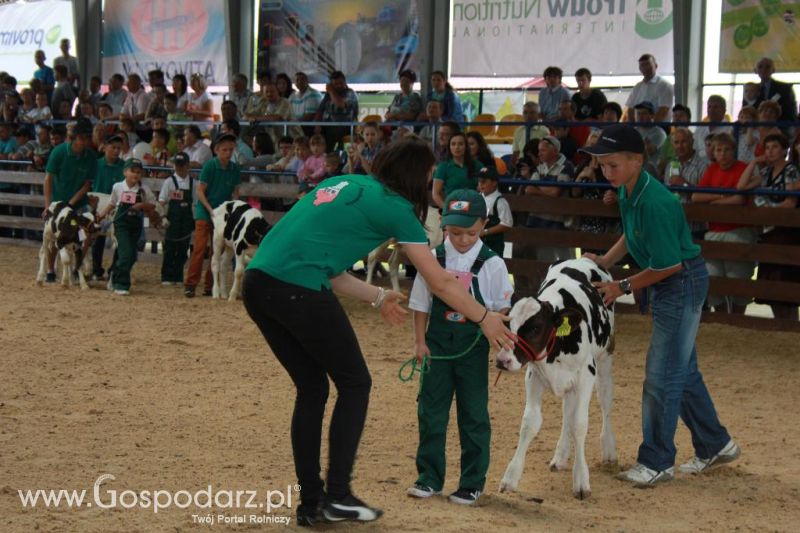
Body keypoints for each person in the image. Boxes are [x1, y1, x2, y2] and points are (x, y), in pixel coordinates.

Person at [241, 136, 515, 525]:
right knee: (355, 384)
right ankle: (337, 495)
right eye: (429, 175)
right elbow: (438, 281)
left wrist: (376, 296)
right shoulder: (398, 208)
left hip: (258, 284)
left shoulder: (344, 184)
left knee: (314, 387)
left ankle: (312, 503)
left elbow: (329, 267)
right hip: (297, 288)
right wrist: (484, 317)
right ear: (417, 174)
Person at [582, 124, 740, 487]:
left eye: (613, 165)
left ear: (637, 161)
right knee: (680, 371)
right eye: (602, 165)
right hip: (671, 283)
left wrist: (620, 285)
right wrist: (606, 260)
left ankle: (656, 461)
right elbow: (630, 232)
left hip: (679, 283)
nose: (606, 172)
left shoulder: (656, 201)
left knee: (660, 375)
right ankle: (716, 444)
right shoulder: (629, 190)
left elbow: (669, 265)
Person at [407, 188, 513, 506]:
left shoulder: (493, 264)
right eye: (455, 232)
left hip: (473, 350)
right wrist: (420, 342)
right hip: (437, 347)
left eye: (470, 232)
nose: (463, 239)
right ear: (444, 226)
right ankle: (428, 477)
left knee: (474, 415)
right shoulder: (433, 259)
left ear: (483, 224)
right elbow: (420, 304)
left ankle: (471, 482)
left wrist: (502, 343)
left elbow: (501, 311)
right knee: (431, 411)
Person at [737, 133, 800, 320]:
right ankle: (780, 324)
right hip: (768, 232)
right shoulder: (765, 173)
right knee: (771, 284)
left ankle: (791, 325)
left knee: (785, 283)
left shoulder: (790, 170)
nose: (770, 151)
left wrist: (768, 212)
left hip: (785, 232)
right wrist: (754, 162)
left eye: (774, 147)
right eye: (767, 148)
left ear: (784, 150)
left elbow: (790, 202)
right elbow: (741, 186)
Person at [691, 133, 755, 314]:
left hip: (739, 230)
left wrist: (714, 202)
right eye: (719, 150)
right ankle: (721, 317)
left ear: (734, 151)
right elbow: (696, 196)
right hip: (714, 230)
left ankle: (737, 317)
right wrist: (721, 196)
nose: (723, 154)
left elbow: (739, 199)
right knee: (713, 278)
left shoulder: (742, 168)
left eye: (727, 150)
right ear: (714, 152)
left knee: (738, 279)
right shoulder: (712, 170)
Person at [184, 134, 241, 297]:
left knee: (217, 250)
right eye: (224, 149)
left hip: (222, 214)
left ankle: (210, 284)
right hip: (206, 211)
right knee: (200, 248)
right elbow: (200, 191)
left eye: (230, 149)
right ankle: (191, 283)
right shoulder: (210, 166)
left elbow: (236, 193)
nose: (228, 153)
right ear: (216, 150)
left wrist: (231, 210)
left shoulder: (234, 168)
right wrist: (210, 210)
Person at [42, 118, 97, 280]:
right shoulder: (59, 152)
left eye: (87, 137)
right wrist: (47, 205)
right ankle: (51, 271)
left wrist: (70, 205)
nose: (84, 141)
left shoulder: (91, 157)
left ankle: (76, 268)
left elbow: (87, 185)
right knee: (53, 234)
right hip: (57, 202)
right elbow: (48, 179)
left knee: (85, 233)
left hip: (78, 202)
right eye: (81, 137)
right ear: (74, 137)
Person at [97, 158, 157, 295]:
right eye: (132, 171)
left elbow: (152, 204)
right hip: (121, 223)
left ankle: (114, 275)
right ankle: (122, 284)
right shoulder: (118, 187)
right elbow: (112, 203)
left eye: (138, 172)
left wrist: (141, 205)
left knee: (131, 255)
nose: (135, 175)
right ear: (125, 172)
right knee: (125, 253)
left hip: (135, 223)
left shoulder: (143, 189)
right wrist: (101, 215)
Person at [159, 152, 197, 285]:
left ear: (188, 166)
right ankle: (167, 276)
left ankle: (178, 276)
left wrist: (195, 220)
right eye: (177, 165)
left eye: (183, 165)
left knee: (183, 249)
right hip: (172, 220)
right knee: (169, 248)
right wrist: (162, 217)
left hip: (186, 220)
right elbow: (162, 202)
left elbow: (196, 203)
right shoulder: (169, 182)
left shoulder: (193, 183)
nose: (180, 168)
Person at [91, 134, 125, 280]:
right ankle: (96, 269)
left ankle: (113, 269)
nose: (116, 151)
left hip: (116, 208)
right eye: (113, 147)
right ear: (105, 147)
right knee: (96, 239)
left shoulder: (124, 167)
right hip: (97, 207)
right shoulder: (95, 164)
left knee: (119, 239)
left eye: (119, 148)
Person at [432, 132, 483, 207]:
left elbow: (486, 188)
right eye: (453, 144)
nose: (456, 147)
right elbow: (435, 194)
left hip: (474, 207)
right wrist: (446, 209)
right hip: (452, 208)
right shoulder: (443, 166)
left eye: (460, 144)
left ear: (466, 146)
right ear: (449, 147)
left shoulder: (478, 165)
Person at [625, 54, 675, 123]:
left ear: (656, 66)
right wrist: (634, 127)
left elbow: (663, 110)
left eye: (648, 64)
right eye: (642, 65)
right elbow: (630, 109)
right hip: (639, 128)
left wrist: (651, 128)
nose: (645, 68)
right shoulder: (637, 87)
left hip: (659, 129)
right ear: (640, 69)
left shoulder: (665, 85)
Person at [477, 167, 513, 255]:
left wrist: (485, 232)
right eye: (479, 181)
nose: (481, 184)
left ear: (494, 183)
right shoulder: (477, 197)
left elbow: (507, 224)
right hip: (477, 243)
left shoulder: (500, 202)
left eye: (484, 181)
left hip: (493, 245)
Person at [753, 57, 797, 123]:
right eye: (760, 67)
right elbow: (747, 110)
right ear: (755, 70)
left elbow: (791, 111)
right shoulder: (751, 89)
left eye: (767, 67)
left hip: (781, 127)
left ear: (773, 70)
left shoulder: (784, 88)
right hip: (756, 127)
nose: (764, 69)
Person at [511, 102, 550, 166]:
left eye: (532, 112)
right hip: (521, 164)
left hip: (539, 165)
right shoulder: (518, 130)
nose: (528, 115)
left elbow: (546, 154)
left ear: (539, 115)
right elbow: (515, 153)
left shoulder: (544, 131)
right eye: (525, 112)